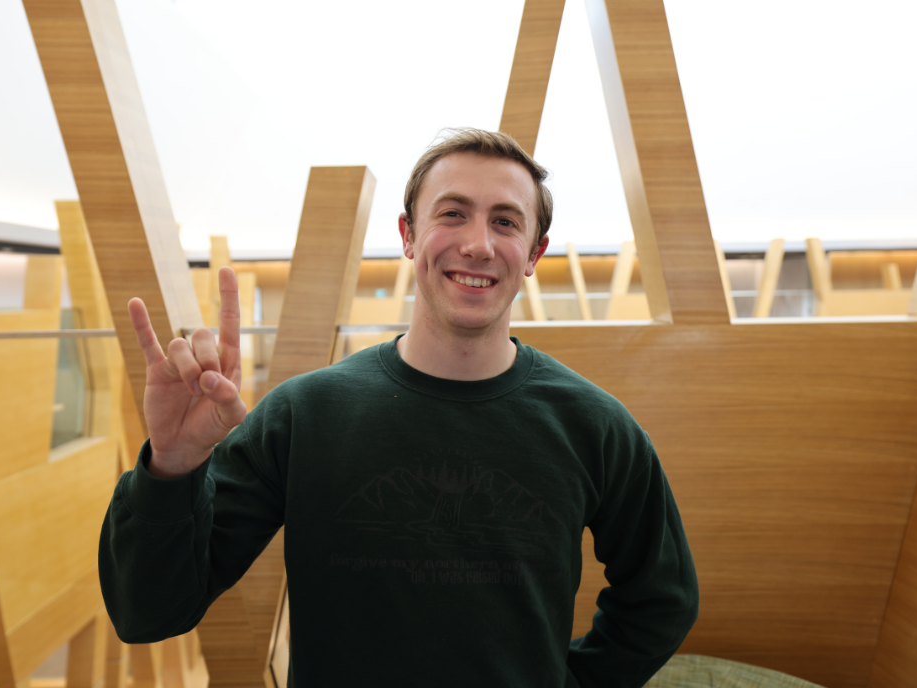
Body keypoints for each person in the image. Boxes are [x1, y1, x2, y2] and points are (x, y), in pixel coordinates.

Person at [99, 129, 698, 687]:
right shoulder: (304, 415)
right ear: (409, 236)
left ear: (534, 252)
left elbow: (661, 597)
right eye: (453, 213)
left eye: (506, 222)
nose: (478, 244)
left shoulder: (594, 426)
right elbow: (147, 612)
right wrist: (172, 466)